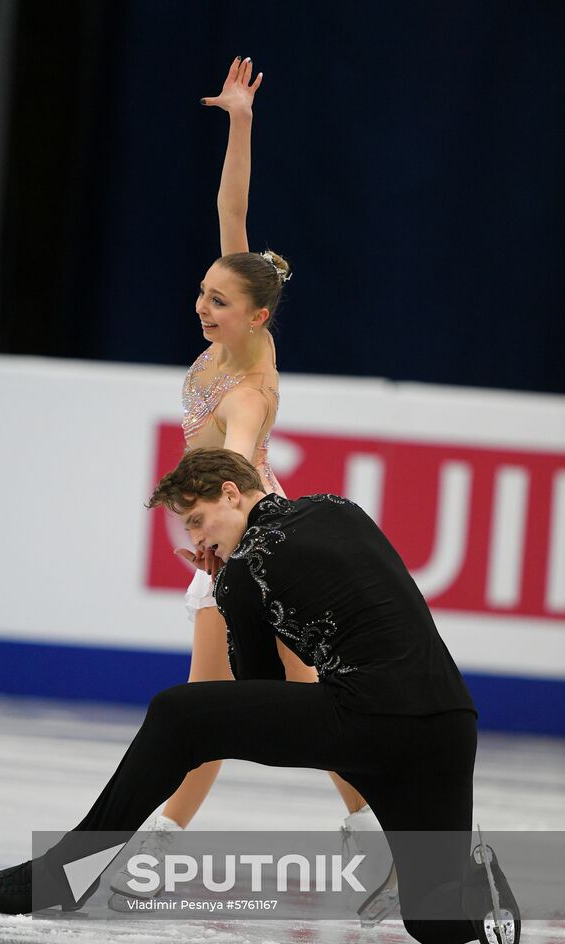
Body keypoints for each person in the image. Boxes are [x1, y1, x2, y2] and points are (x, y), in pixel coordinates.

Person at [0, 449, 521, 944]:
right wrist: (235, 583)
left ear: (232, 493)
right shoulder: (337, 506)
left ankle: (62, 875)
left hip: (370, 720)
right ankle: (479, 880)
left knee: (177, 714)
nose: (201, 540)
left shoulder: (245, 568)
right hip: (448, 724)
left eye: (199, 521)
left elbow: (261, 687)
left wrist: (230, 590)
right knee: (433, 919)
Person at [125, 54, 378, 863]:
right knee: (297, 692)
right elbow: (230, 208)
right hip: (245, 528)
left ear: (256, 314)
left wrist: (219, 533)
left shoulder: (247, 386)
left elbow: (235, 462)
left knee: (211, 700)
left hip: (246, 531)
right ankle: (379, 828)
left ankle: (156, 844)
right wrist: (240, 120)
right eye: (202, 292)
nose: (202, 306)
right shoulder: (242, 321)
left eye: (218, 300)